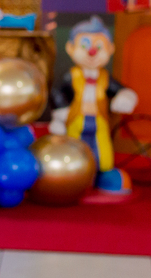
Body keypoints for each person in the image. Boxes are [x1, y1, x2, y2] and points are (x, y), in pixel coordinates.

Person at [49, 16, 138, 194]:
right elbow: (57, 92)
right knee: (74, 148)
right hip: (75, 121)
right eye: (85, 46)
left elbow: (120, 90)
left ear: (110, 48)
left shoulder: (104, 78)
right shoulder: (71, 76)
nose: (92, 52)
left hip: (99, 122)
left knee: (103, 149)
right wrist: (61, 113)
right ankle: (74, 175)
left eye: (99, 47)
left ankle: (104, 174)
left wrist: (125, 97)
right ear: (70, 48)